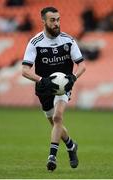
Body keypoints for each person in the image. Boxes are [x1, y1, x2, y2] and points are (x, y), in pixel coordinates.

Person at [22, 6, 86, 171]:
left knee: (58, 118)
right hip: (44, 88)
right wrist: (42, 80)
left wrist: (73, 77)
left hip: (64, 86)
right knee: (54, 123)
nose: (56, 23)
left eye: (58, 20)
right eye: (52, 20)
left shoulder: (68, 40)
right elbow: (25, 71)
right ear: (43, 21)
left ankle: (52, 157)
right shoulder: (35, 42)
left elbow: (82, 65)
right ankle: (71, 145)